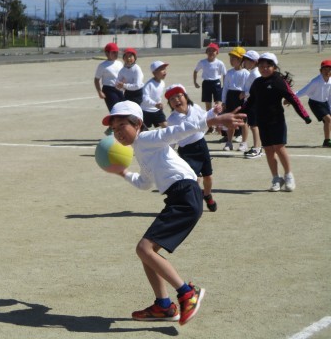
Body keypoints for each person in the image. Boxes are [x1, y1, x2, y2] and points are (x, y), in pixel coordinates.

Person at [102, 100, 246, 325]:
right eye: (114, 128)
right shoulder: (141, 149)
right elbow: (144, 183)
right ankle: (163, 306)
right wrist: (123, 173)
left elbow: (177, 131)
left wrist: (213, 120)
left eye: (122, 125)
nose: (117, 132)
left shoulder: (147, 139)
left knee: (144, 249)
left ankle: (187, 293)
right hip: (179, 197)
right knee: (147, 253)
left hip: (185, 195)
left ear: (137, 123)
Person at [241, 53, 311, 192]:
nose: (264, 69)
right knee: (268, 150)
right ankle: (276, 178)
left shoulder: (278, 81)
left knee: (279, 148)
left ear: (274, 67)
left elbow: (293, 98)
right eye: (261, 66)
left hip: (277, 120)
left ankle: (288, 175)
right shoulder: (257, 82)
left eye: (268, 66)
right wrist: (241, 114)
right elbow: (250, 101)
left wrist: (305, 115)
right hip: (262, 121)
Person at [165, 84, 221, 212]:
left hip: (201, 145)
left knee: (208, 176)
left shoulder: (195, 108)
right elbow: (170, 139)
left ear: (185, 97)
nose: (176, 100)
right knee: (193, 179)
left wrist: (214, 111)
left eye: (179, 96)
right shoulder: (172, 120)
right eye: (172, 99)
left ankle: (207, 195)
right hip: (186, 151)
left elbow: (205, 117)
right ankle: (194, 202)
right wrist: (168, 154)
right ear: (170, 104)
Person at [295, 59, 331, 148]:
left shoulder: (330, 80)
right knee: (328, 120)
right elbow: (303, 91)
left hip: (325, 103)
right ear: (320, 71)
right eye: (325, 69)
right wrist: (292, 98)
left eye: (329, 70)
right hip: (315, 103)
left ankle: (327, 140)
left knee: (328, 121)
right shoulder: (316, 81)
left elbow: (329, 95)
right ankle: (327, 141)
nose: (327, 72)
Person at [221, 47, 249, 151]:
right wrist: (224, 101)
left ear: (241, 59)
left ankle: (244, 143)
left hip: (241, 99)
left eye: (234, 58)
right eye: (231, 58)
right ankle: (229, 142)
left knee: (243, 122)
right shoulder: (229, 72)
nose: (231, 60)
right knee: (230, 121)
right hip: (230, 97)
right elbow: (225, 88)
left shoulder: (246, 73)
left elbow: (248, 88)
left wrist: (245, 96)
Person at [193, 43, 227, 129]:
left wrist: (225, 85)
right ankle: (210, 126)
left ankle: (218, 125)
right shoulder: (202, 62)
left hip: (216, 83)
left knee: (218, 105)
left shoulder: (220, 63)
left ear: (217, 52)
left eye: (213, 51)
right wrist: (195, 82)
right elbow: (195, 71)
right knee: (208, 105)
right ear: (206, 52)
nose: (211, 52)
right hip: (206, 83)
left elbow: (224, 74)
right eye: (209, 50)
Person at [240, 50, 263, 158]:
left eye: (247, 60)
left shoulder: (255, 74)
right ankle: (257, 147)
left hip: (254, 102)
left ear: (254, 62)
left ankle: (257, 148)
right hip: (251, 101)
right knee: (253, 125)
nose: (244, 62)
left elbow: (257, 89)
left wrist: (245, 94)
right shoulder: (253, 72)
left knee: (254, 126)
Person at [94, 42, 124, 112]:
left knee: (122, 109)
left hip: (120, 89)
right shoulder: (102, 65)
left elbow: (123, 75)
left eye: (117, 52)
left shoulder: (120, 63)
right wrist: (99, 92)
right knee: (115, 110)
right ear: (107, 53)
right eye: (113, 52)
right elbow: (96, 79)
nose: (116, 54)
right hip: (109, 90)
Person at [141, 60, 168, 129]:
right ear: (154, 73)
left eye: (164, 69)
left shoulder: (162, 83)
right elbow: (145, 98)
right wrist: (155, 104)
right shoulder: (149, 84)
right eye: (161, 69)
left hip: (157, 110)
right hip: (146, 111)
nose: (164, 71)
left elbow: (158, 96)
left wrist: (159, 104)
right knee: (143, 130)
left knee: (165, 126)